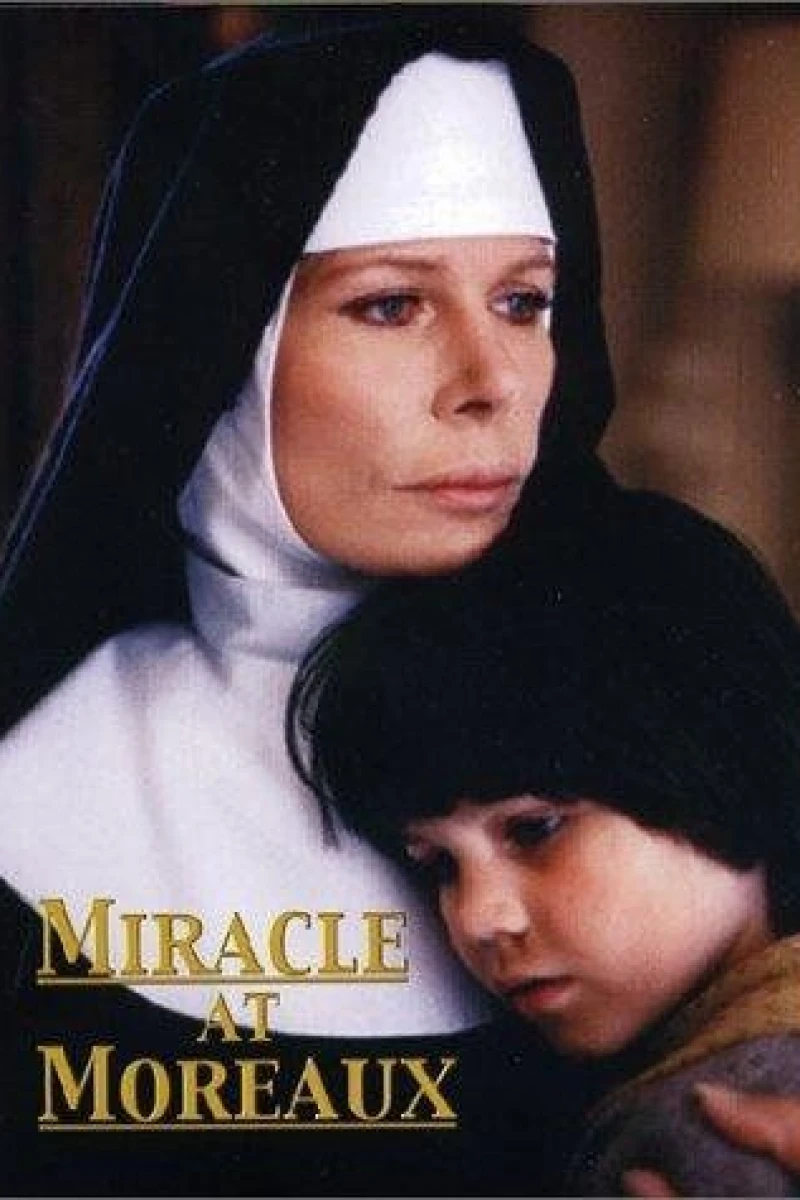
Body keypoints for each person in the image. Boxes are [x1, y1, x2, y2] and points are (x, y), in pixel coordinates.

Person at [0, 9, 616, 1194]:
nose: (489, 384)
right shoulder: (31, 782)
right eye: (391, 305)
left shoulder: (664, 729)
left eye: (523, 303)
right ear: (221, 347)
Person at [289, 485, 800, 1195]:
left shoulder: (717, 1125)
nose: (477, 919)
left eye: (536, 829)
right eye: (438, 865)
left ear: (720, 760)